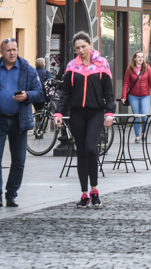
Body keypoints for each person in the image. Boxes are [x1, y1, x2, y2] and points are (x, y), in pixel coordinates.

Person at [0, 37, 44, 209]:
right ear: (1, 52)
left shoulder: (27, 69)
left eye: (14, 49)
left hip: (19, 120)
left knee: (19, 160)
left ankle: (11, 194)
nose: (12, 53)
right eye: (8, 50)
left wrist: (27, 95)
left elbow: (40, 92)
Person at [52, 32, 115, 208]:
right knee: (80, 151)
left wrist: (110, 112)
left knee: (90, 149)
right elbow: (66, 93)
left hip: (96, 112)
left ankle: (95, 189)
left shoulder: (102, 64)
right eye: (77, 48)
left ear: (90, 45)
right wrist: (59, 113)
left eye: (83, 47)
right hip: (77, 113)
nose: (80, 50)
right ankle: (84, 193)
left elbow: (108, 92)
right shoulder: (72, 66)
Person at [121, 50, 151, 144]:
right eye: (138, 57)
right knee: (136, 116)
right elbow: (126, 84)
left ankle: (144, 133)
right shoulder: (130, 69)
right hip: (133, 96)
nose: (141, 59)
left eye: (142, 57)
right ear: (134, 58)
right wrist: (124, 96)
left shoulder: (147, 68)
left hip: (145, 95)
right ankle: (137, 136)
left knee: (144, 115)